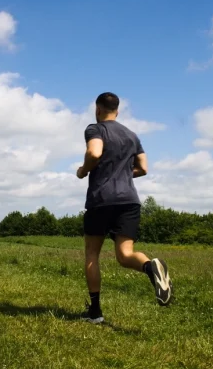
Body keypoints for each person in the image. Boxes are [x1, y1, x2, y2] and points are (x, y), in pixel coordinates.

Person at [76, 92, 173, 324]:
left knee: (92, 254)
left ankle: (95, 312)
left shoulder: (95, 128)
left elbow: (94, 152)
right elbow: (144, 168)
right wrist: (123, 174)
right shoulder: (131, 135)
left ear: (98, 109)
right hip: (129, 200)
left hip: (102, 199)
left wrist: (84, 170)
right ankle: (151, 267)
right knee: (125, 254)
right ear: (117, 111)